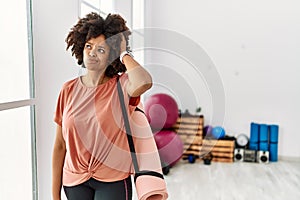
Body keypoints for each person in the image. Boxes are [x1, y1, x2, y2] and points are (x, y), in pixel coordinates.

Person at [52, 12, 157, 200]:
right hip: (74, 181)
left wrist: (123, 53)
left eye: (101, 49)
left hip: (113, 180)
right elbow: (60, 146)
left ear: (111, 55)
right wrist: (54, 195)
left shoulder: (123, 85)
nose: (92, 53)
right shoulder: (67, 90)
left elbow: (144, 81)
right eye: (88, 46)